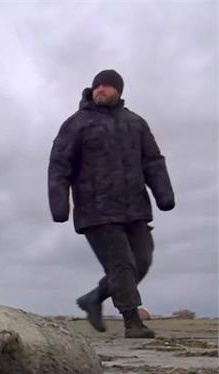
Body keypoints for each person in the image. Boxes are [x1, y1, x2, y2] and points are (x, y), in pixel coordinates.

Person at [49, 69, 174, 339]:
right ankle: (132, 321)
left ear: (119, 90)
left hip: (135, 208)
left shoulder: (136, 123)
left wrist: (164, 194)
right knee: (122, 264)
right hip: (96, 210)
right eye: (97, 86)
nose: (100, 90)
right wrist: (60, 205)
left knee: (142, 260)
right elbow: (59, 166)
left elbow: (152, 160)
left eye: (106, 86)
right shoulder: (76, 124)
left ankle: (94, 297)